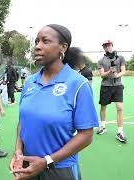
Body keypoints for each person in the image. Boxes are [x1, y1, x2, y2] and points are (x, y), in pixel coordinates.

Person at [9, 24, 99, 180]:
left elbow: (86, 135)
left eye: (45, 41)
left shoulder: (78, 84)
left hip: (58, 170)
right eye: (37, 41)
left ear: (62, 47)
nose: (37, 46)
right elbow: (23, 121)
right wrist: (18, 151)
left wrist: (47, 161)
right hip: (27, 165)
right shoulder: (29, 83)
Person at [96, 40, 127, 143]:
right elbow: (102, 75)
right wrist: (110, 71)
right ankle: (103, 126)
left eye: (109, 45)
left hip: (117, 85)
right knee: (103, 107)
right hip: (106, 86)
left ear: (112, 46)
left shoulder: (120, 58)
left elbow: (123, 70)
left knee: (119, 108)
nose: (107, 47)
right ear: (103, 48)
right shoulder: (101, 60)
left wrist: (117, 75)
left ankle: (120, 131)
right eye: (105, 46)